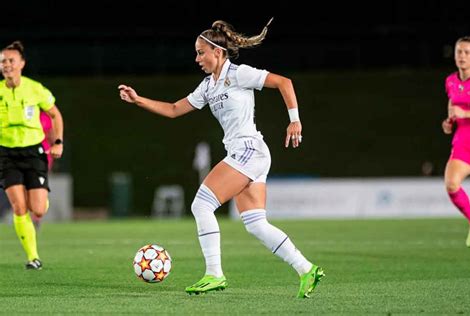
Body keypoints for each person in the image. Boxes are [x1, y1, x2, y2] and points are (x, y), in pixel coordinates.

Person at [119, 19, 324, 298]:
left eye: (201, 52)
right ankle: (306, 269)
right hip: (248, 154)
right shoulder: (207, 86)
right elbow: (174, 109)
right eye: (196, 52)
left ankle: (214, 274)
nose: (197, 58)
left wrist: (295, 121)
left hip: (248, 150)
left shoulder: (239, 74)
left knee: (201, 205)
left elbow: (283, 83)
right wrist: (138, 100)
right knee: (255, 224)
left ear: (218, 52)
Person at [0, 41, 64, 269]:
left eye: (11, 60)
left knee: (36, 209)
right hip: (6, 155)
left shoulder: (35, 88)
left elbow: (55, 115)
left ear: (21, 64)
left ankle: (40, 201)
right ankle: (33, 257)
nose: (7, 65)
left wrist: (58, 142)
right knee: (18, 207)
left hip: (34, 153)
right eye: (3, 61)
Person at [442, 36, 470, 247]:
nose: (461, 56)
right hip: (464, 142)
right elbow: (452, 102)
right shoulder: (451, 81)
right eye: (459, 52)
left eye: (467, 52)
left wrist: (466, 113)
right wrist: (450, 120)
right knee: (451, 184)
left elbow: (462, 108)